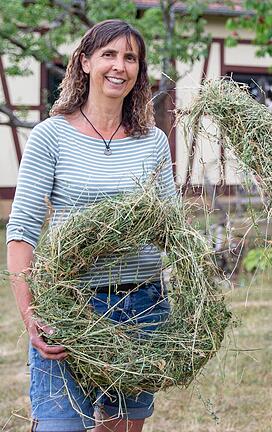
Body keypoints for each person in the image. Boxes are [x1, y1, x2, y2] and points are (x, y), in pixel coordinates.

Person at [6, 20, 175, 432]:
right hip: (71, 306)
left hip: (142, 306)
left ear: (139, 70)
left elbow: (172, 227)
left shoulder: (152, 141)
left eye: (130, 57)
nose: (120, 66)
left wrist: (190, 299)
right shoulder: (51, 136)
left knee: (121, 427)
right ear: (84, 62)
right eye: (109, 55)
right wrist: (32, 318)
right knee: (59, 425)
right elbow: (22, 230)